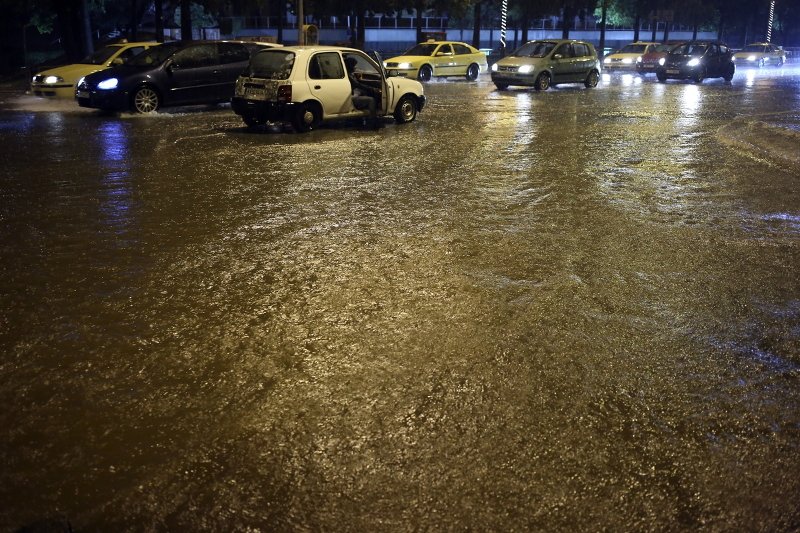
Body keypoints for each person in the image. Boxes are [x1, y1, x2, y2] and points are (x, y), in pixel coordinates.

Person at [344, 56, 382, 129]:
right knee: (371, 100)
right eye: (354, 65)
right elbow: (357, 85)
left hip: (355, 93)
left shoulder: (351, 74)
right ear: (350, 66)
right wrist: (372, 89)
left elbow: (359, 84)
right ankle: (372, 121)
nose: (356, 67)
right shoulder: (349, 76)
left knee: (368, 92)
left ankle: (367, 116)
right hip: (352, 97)